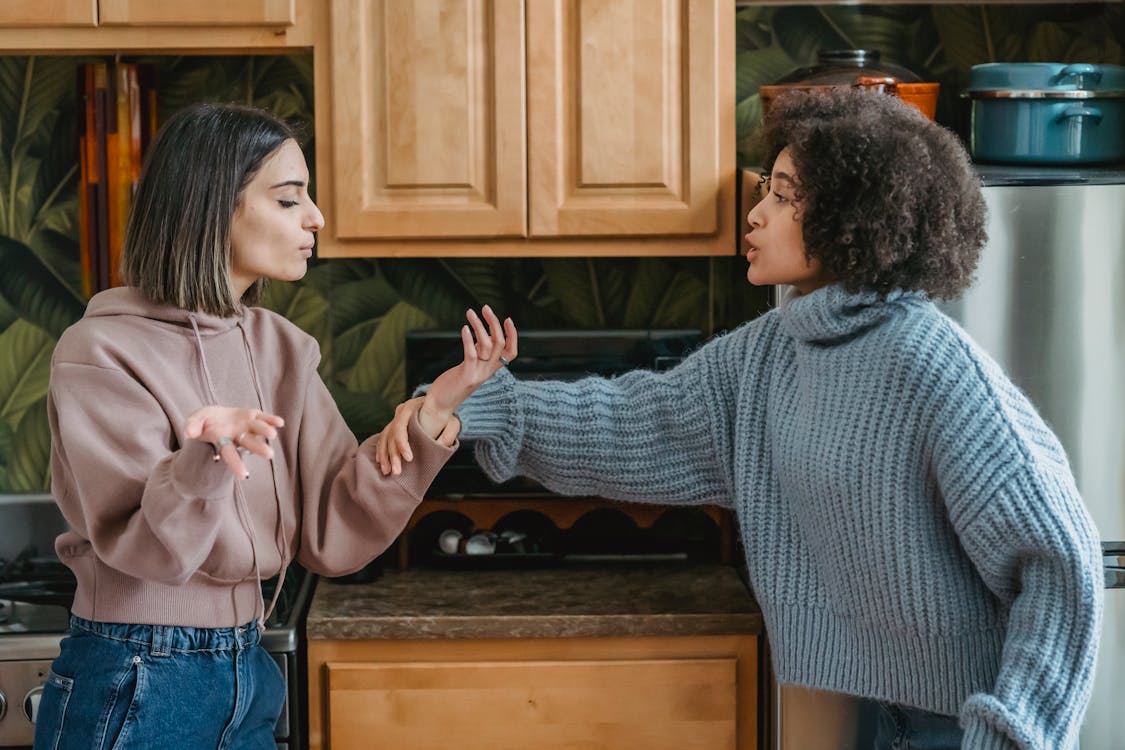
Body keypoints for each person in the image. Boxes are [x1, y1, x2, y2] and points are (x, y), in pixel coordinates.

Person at [376, 87, 1104, 750]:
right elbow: (634, 423)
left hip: (962, 721)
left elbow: (1058, 559)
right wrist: (480, 403)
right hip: (859, 707)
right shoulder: (770, 352)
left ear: (853, 219)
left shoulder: (930, 364)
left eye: (785, 197)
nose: (755, 213)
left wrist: (1010, 736)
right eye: (768, 189)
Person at [37, 102, 514, 750]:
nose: (315, 218)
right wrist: (205, 458)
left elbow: (334, 522)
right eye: (290, 200)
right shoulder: (99, 352)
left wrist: (435, 411)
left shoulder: (280, 347)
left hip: (247, 666)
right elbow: (145, 549)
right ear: (213, 207)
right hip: (136, 668)